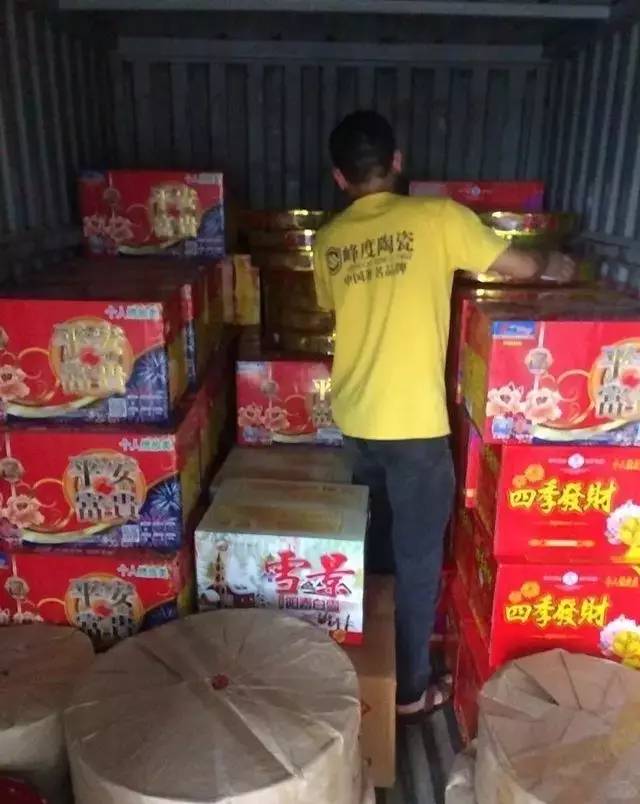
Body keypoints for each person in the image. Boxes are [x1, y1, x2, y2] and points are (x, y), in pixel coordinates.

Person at [312, 110, 574, 721]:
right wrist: (557, 266)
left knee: (376, 551)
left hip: (356, 419)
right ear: (397, 162)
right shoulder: (437, 219)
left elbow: (333, 307)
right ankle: (407, 693)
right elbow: (516, 267)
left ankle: (372, 673)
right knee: (417, 561)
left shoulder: (328, 241)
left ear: (338, 177)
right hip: (414, 426)